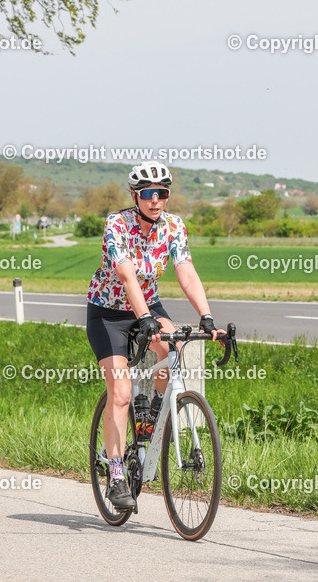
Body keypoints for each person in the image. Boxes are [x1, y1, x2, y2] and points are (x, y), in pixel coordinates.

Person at [86, 160, 223, 511]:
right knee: (120, 392)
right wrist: (143, 316)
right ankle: (116, 474)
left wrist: (206, 316)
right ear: (135, 196)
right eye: (148, 193)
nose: (156, 200)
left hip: (148, 306)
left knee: (173, 348)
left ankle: (149, 418)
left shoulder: (174, 226)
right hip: (110, 313)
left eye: (162, 193)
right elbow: (127, 275)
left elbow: (185, 270)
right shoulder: (117, 224)